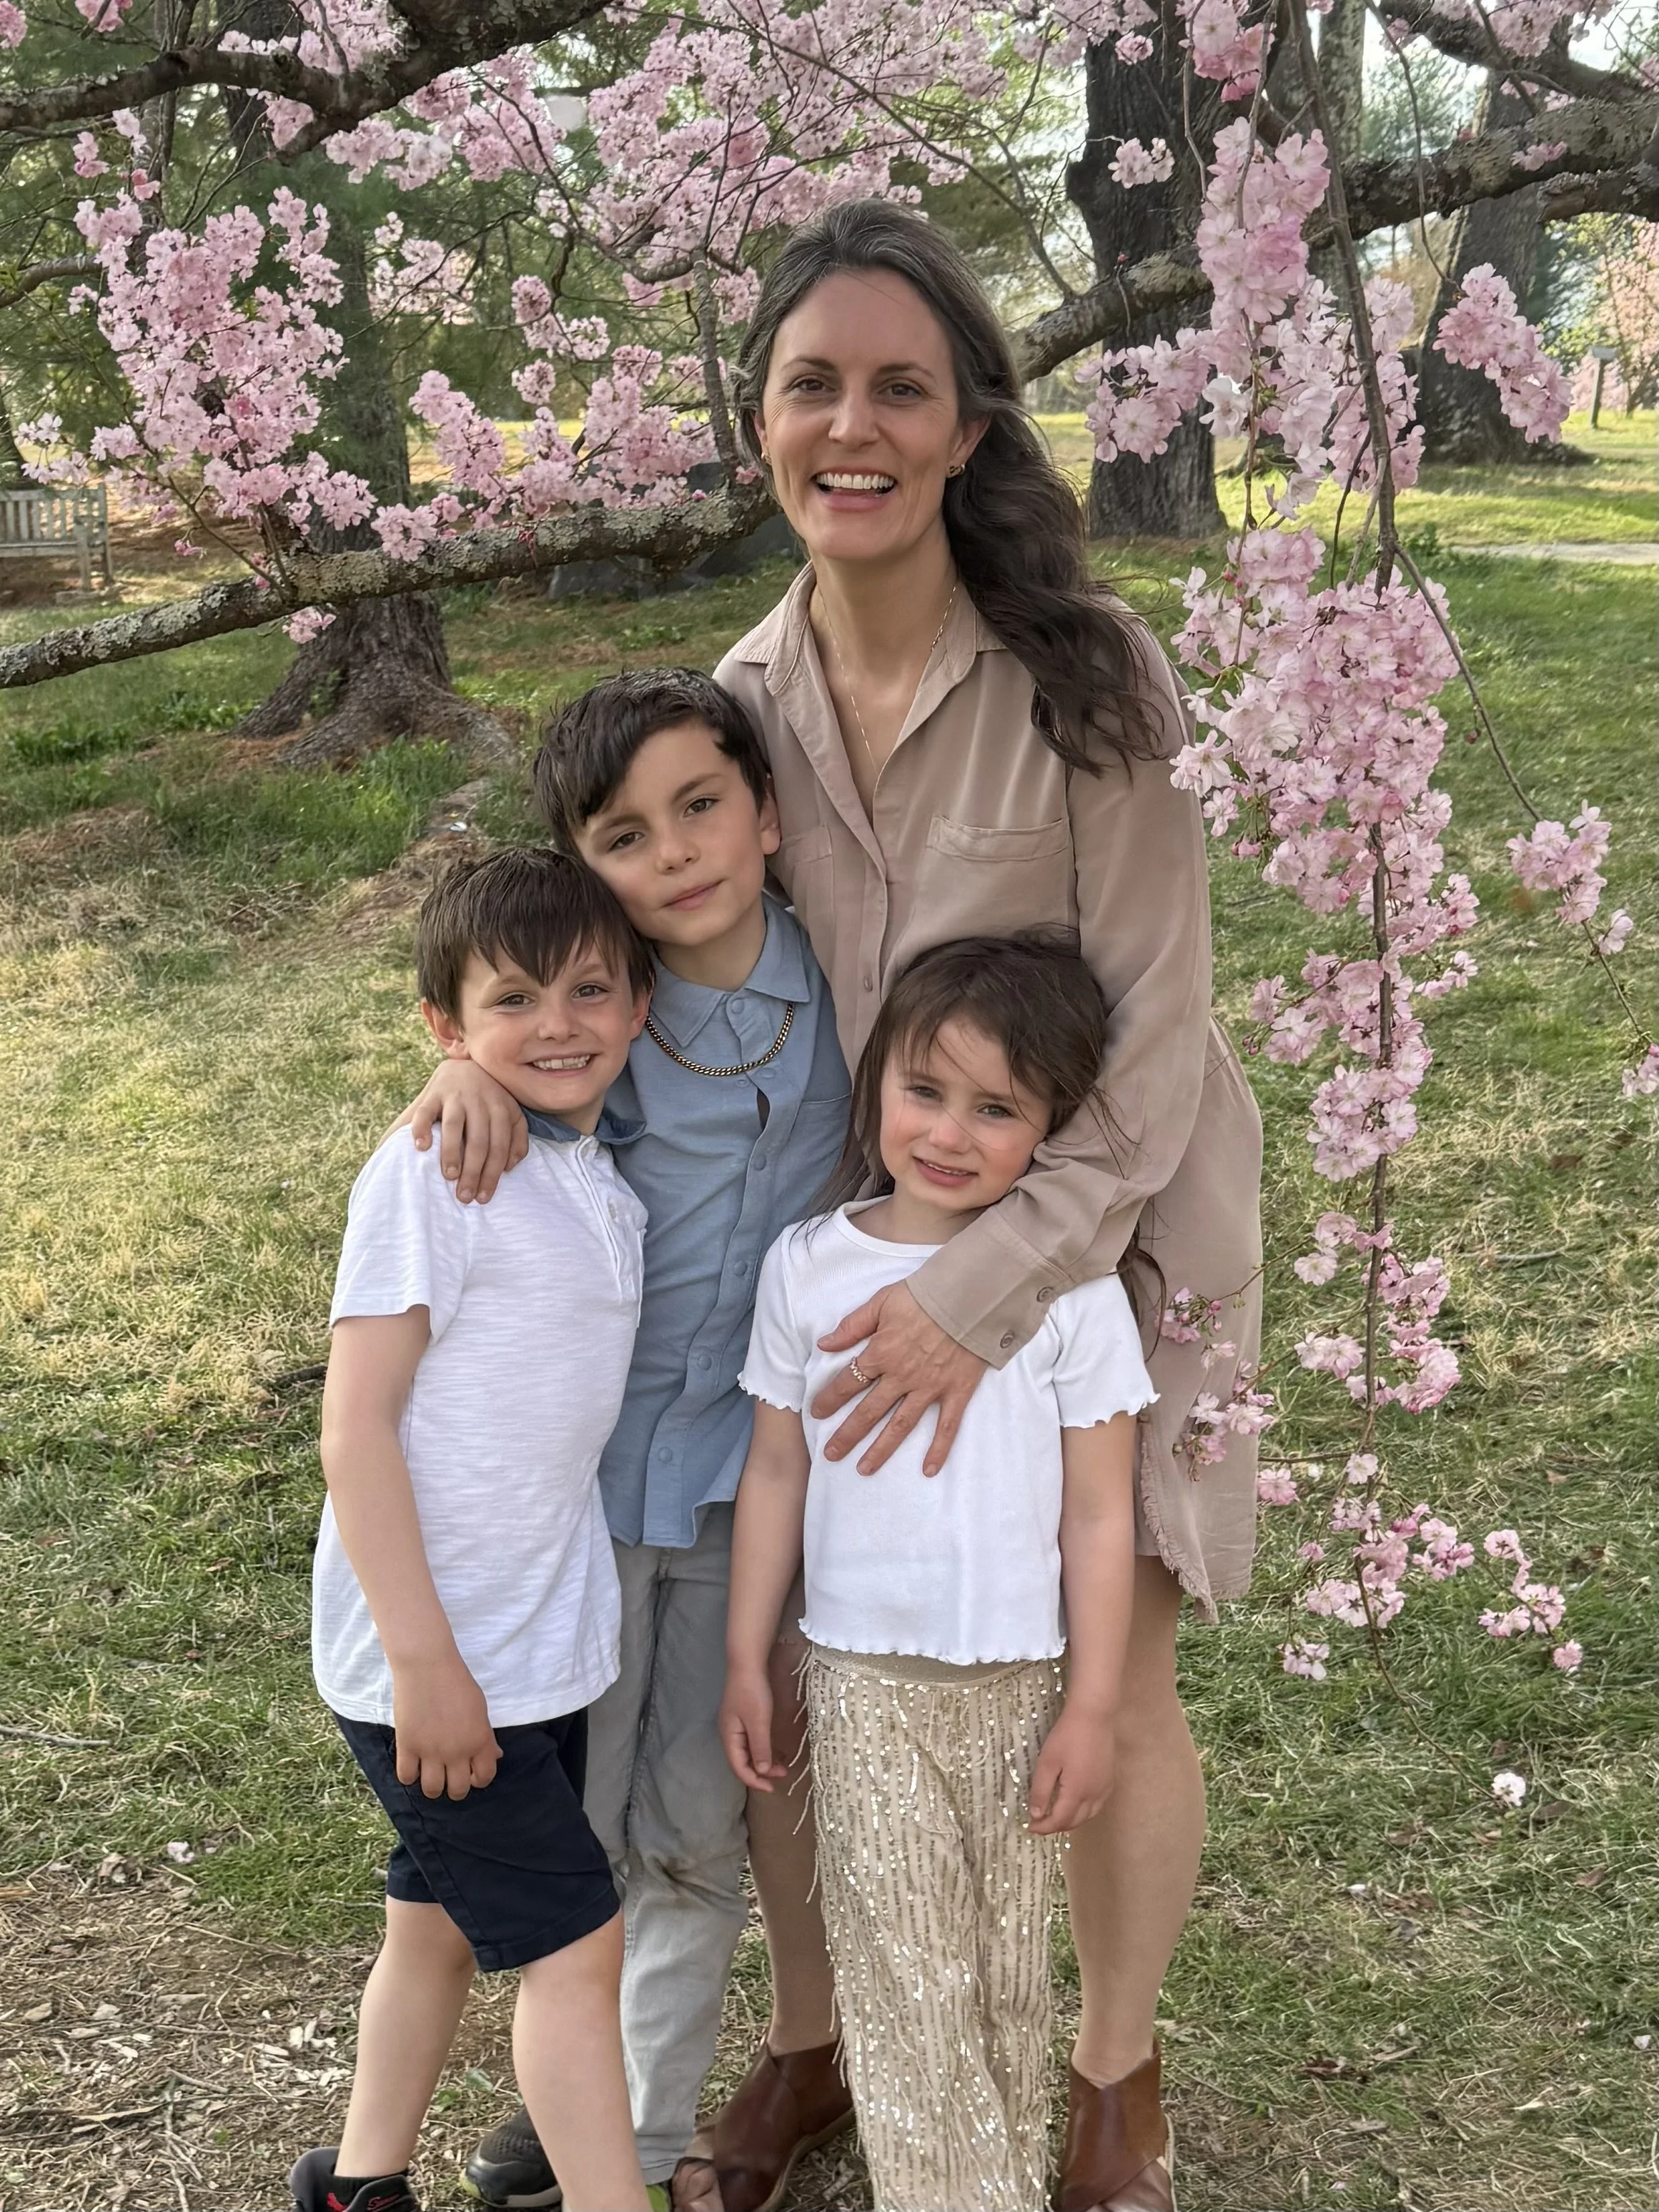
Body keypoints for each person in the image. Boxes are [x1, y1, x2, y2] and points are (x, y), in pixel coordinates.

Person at [427, 200, 1264, 2212]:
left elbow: (1156, 1030)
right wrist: (470, 1050)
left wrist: (995, 1282)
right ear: (761, 428)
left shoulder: (1090, 677)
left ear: (972, 420)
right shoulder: (734, 702)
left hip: (1104, 1244)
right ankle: (814, 2043)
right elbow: (604, 949)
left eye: (905, 384)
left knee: (1108, 1674)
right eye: (815, 386)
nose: (856, 425)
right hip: (839, 1273)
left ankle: (1110, 2078)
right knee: (798, 1671)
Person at [403, 672, 854, 2212]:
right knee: (573, 1838)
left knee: (692, 1823)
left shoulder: (845, 994)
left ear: (766, 812)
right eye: (622, 834)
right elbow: (497, 1041)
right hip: (580, 1504)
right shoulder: (581, 1038)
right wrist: (458, 1067)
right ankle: (574, 2097)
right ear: (577, 874)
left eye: (700, 805)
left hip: (740, 1494)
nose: (673, 851)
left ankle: (643, 2131)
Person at [720, 936, 1157, 2212]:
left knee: (1001, 1974)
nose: (952, 1133)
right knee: (903, 1968)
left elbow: (1094, 1514)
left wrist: (1090, 1703)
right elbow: (776, 1474)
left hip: (1018, 1682)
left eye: (998, 1107)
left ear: (1052, 1129)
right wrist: (752, 1653)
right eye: (926, 1090)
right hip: (861, 1681)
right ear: (874, 1093)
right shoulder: (810, 1265)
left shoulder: (1072, 1296)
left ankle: (999, 2178)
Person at [291, 848, 655, 2212]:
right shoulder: (433, 1172)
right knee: (578, 1949)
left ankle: (358, 2184)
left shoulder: (595, 1177)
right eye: (515, 999)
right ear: (447, 1029)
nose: (557, 1022)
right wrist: (426, 1665)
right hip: (435, 1662)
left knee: (433, 1924)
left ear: (636, 1009)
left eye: (589, 989)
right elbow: (355, 1428)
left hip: (540, 1644)